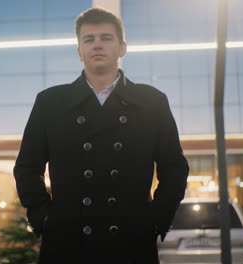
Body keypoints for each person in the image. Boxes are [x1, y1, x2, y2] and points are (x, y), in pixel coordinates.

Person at [14, 7, 189, 264]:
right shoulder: (50, 102)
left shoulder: (152, 101)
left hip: (131, 243)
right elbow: (28, 167)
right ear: (79, 52)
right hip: (67, 244)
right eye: (89, 39)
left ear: (122, 48)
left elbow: (174, 168)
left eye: (106, 38)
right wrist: (44, 219)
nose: (97, 45)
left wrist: (156, 220)